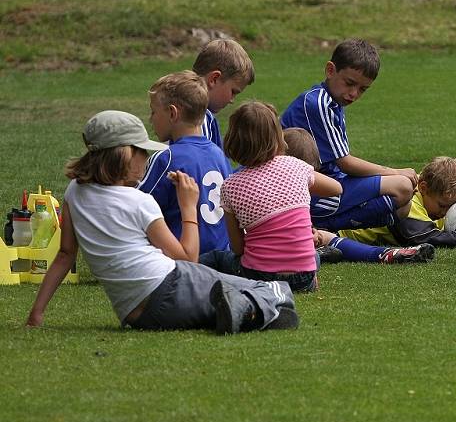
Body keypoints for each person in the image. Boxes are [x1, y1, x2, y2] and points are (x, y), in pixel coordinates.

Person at [25, 110, 298, 334]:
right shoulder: (138, 202)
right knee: (262, 288)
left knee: (224, 284)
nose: (147, 158)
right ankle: (265, 305)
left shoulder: (75, 190)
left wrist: (37, 313)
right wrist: (188, 205)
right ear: (124, 154)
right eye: (142, 152)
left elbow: (65, 254)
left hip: (137, 315)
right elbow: (188, 258)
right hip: (171, 284)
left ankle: (244, 307)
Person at [198, 102, 344, 293]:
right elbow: (337, 188)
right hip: (303, 276)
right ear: (278, 136)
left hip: (260, 276)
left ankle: (181, 269)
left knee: (217, 258)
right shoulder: (295, 166)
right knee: (311, 254)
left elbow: (238, 249)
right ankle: (313, 265)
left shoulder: (230, 186)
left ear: (233, 141)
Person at [280, 38, 416, 232]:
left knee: (403, 207)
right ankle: (319, 227)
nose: (354, 93)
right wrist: (395, 171)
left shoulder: (333, 101)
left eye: (362, 89)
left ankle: (324, 228)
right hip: (309, 189)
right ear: (330, 70)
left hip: (330, 181)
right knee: (401, 187)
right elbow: (345, 162)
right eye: (350, 83)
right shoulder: (317, 103)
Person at [282, 127, 436, 264]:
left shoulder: (285, 189)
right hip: (284, 254)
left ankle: (385, 254)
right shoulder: (286, 193)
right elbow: (336, 189)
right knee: (322, 238)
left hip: (299, 237)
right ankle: (383, 254)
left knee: (322, 236)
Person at [139, 71, 230, 254]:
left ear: (172, 113)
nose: (150, 119)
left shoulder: (166, 158)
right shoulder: (219, 155)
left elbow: (135, 207)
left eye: (154, 111)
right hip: (221, 257)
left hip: (185, 257)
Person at [338, 155, 456, 248]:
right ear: (423, 188)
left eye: (453, 207)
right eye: (442, 206)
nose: (445, 212)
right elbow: (420, 236)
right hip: (338, 233)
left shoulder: (438, 196)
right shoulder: (409, 199)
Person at [192, 38, 255, 149]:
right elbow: (205, 164)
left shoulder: (184, 108)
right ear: (214, 79)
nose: (232, 100)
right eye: (233, 92)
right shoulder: (200, 118)